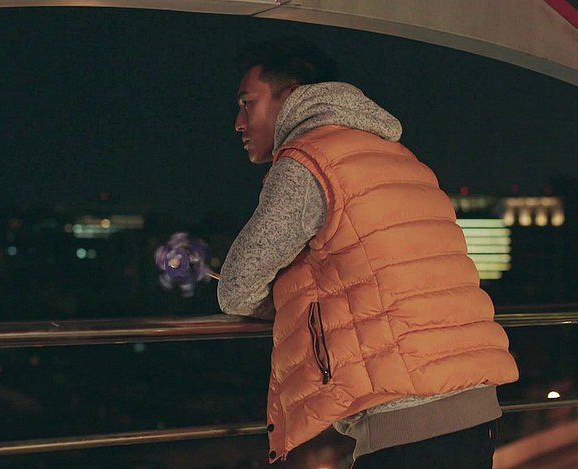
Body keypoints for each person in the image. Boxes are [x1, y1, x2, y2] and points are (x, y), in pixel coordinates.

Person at [217, 35, 519, 468]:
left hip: (408, 420)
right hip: (476, 408)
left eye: (248, 103)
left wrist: (299, 302)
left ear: (291, 95)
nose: (238, 123)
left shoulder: (308, 163)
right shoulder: (399, 156)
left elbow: (236, 286)